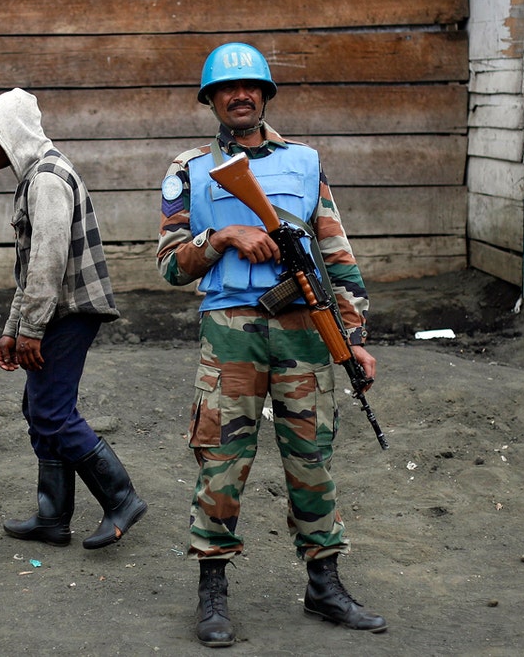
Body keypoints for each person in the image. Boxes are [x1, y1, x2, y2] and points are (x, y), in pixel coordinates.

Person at [156, 42, 387, 646]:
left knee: (311, 458)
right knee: (222, 460)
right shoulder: (188, 171)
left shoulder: (307, 163)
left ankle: (324, 585)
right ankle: (212, 593)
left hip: (305, 334)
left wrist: (354, 337)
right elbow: (170, 267)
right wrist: (223, 236)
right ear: (210, 100)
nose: (241, 96)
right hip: (230, 333)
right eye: (228, 90)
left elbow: (336, 255)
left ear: (265, 95)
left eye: (252, 88)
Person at [0, 88, 146, 550]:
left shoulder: (47, 179)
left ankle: (122, 497)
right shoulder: (36, 176)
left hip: (67, 314)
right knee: (40, 410)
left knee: (52, 412)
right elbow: (30, 270)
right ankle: (52, 517)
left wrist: (30, 330)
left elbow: (47, 262)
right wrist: (14, 329)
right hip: (54, 312)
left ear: (11, 135)